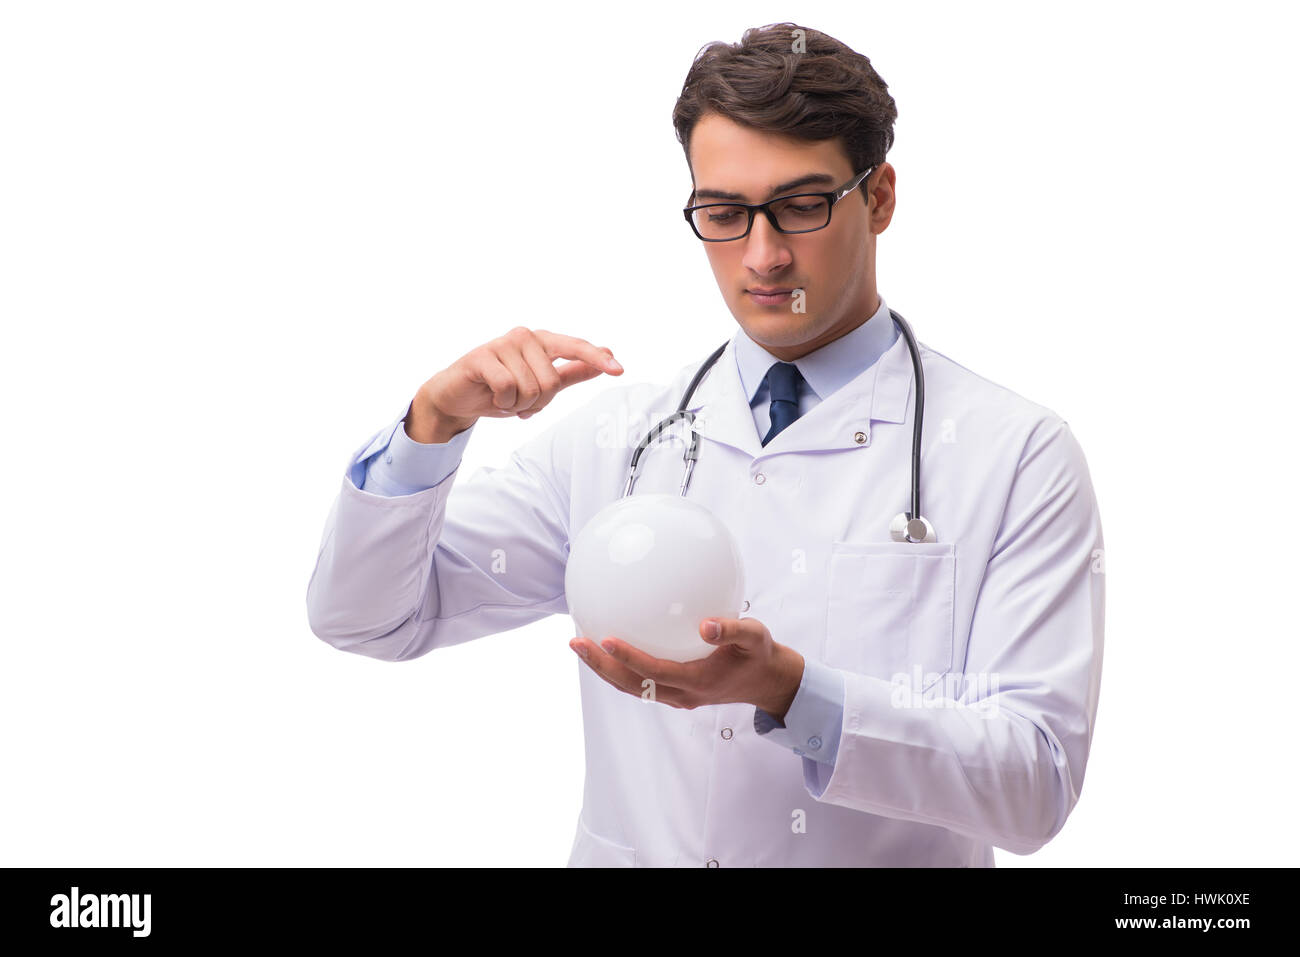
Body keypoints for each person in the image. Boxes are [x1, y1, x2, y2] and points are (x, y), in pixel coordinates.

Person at [306, 22, 1105, 867]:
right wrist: (432, 425)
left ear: (879, 198)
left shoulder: (1015, 454)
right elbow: (365, 618)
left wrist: (793, 693)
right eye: (723, 213)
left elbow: (1037, 785)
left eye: (801, 206)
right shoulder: (614, 443)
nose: (762, 257)